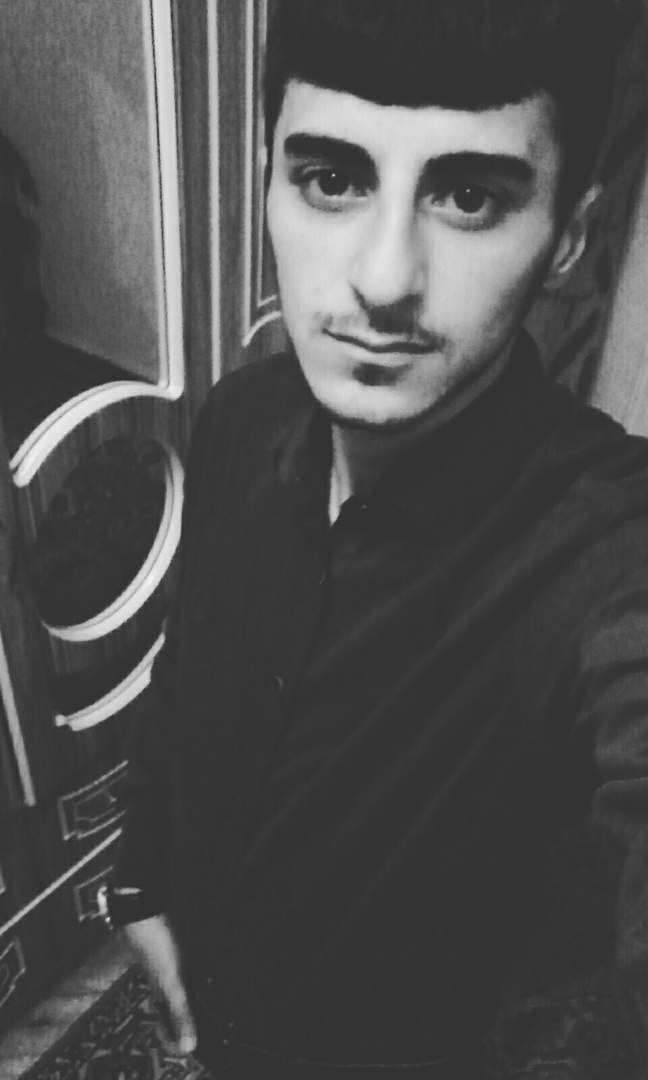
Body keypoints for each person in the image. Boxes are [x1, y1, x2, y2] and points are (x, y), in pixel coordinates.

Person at [103, 1, 648, 1075]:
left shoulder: (603, 554)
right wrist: (137, 879)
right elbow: (187, 675)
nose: (384, 278)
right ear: (268, 181)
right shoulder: (239, 419)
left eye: (469, 197)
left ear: (570, 240)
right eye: (332, 179)